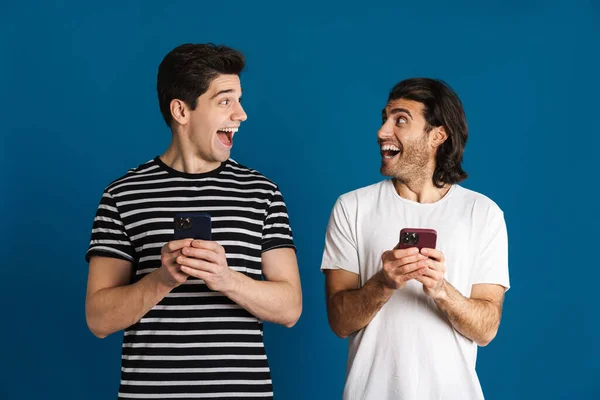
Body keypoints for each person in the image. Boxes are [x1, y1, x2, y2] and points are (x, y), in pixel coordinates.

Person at [85, 43, 302, 400]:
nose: (241, 114)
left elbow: (291, 307)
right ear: (181, 111)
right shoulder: (122, 195)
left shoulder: (262, 193)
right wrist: (161, 279)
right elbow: (98, 319)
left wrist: (226, 278)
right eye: (225, 101)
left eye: (239, 99)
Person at [321, 78, 509, 400]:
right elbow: (340, 322)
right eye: (384, 119)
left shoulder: (482, 213)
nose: (382, 132)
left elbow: (486, 328)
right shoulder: (352, 208)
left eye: (400, 120)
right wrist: (384, 282)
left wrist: (441, 290)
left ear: (438, 135)